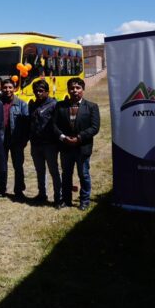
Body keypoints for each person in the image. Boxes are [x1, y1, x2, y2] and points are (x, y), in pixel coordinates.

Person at [53, 78, 100, 210]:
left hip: (82, 147)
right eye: (72, 88)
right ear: (68, 90)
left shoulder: (91, 107)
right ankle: (66, 200)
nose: (75, 91)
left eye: (78, 88)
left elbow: (94, 127)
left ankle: (84, 200)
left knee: (83, 174)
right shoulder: (60, 106)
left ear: (83, 90)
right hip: (65, 147)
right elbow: (54, 125)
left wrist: (79, 138)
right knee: (66, 174)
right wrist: (63, 138)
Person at [28, 80, 62, 207]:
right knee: (40, 171)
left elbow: (58, 124)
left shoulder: (54, 105)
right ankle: (42, 194)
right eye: (36, 91)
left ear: (47, 92)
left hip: (50, 144)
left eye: (41, 91)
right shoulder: (32, 105)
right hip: (36, 144)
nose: (38, 93)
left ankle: (59, 197)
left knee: (54, 171)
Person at [0, 78, 29, 199]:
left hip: (16, 140)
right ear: (2, 88)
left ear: (15, 88)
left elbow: (27, 125)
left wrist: (24, 141)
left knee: (18, 166)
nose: (7, 90)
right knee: (2, 165)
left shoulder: (22, 104)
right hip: (1, 140)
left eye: (10, 87)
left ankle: (19, 190)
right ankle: (1, 188)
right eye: (5, 87)